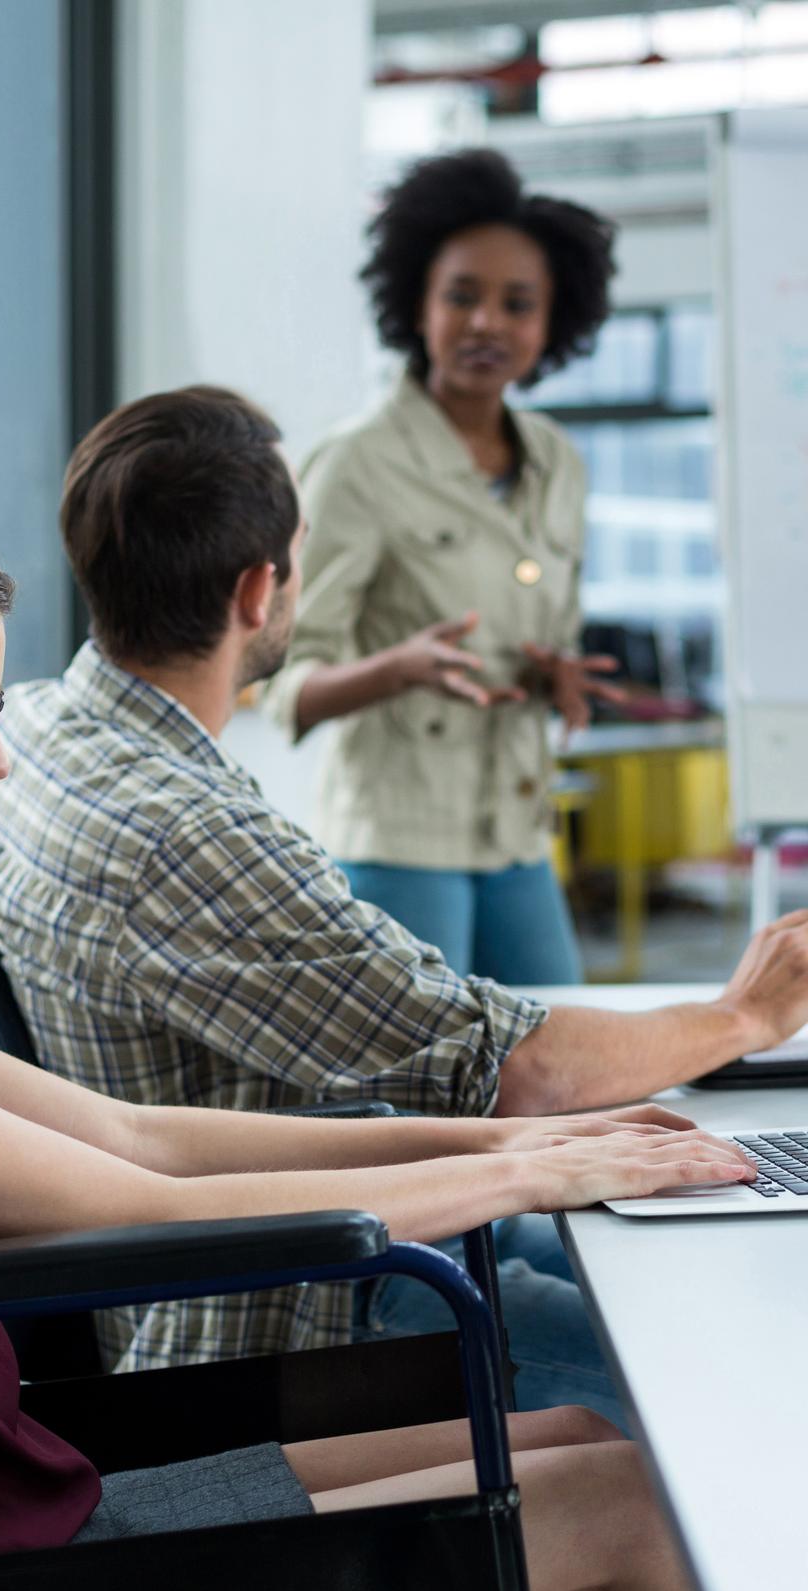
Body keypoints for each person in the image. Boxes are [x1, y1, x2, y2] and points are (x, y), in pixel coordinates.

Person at [0, 481, 733, 1591]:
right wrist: (532, 1177)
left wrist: (509, 1135)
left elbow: (136, 1134)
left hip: (28, 1491)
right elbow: (133, 1208)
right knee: (636, 1511)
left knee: (586, 1440)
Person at [0, 387, 808, 1428]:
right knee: (723, 1365)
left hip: (267, 1219)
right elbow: (517, 1072)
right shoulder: (188, 834)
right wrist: (744, 1016)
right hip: (292, 1297)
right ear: (258, 591)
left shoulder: (32, 739)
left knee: (651, 1222)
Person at [266, 147, 625, 984]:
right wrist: (398, 669)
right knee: (433, 1101)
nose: (486, 324)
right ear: (417, 305)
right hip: (398, 838)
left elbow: (540, 629)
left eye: (517, 304)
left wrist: (556, 679)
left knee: (567, 1070)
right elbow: (286, 680)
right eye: (461, 296)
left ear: (553, 321)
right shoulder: (357, 463)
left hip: (517, 831)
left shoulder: (559, 462)